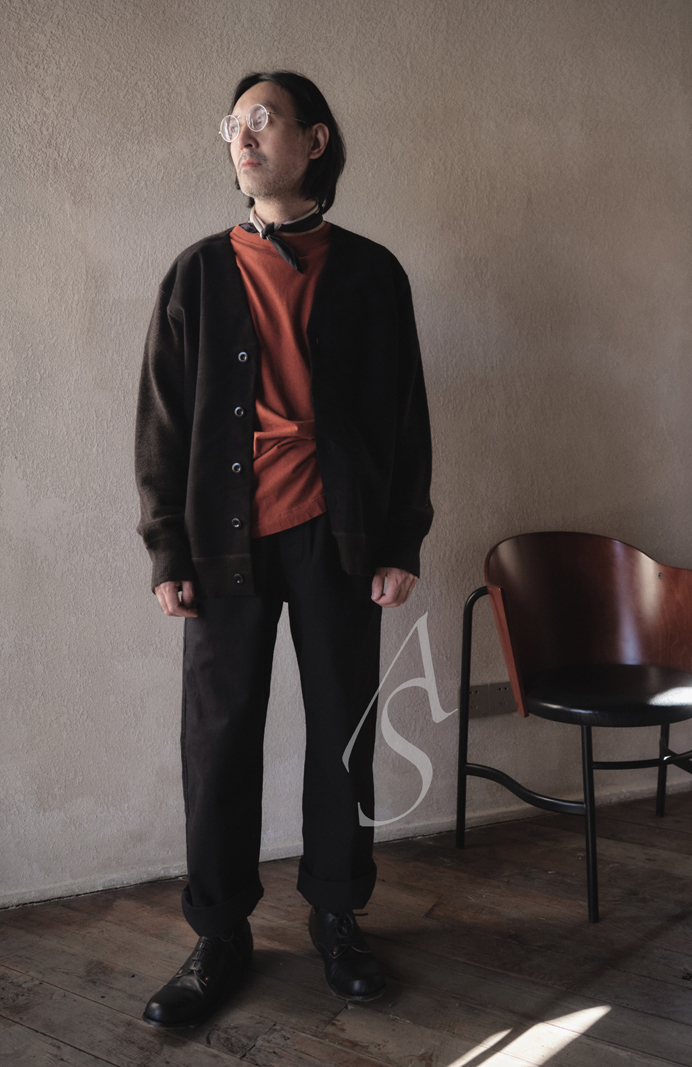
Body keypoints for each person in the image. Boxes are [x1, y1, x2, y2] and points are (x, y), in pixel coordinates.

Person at [134, 70, 433, 1027]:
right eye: (235, 123)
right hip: (223, 540)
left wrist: (401, 538)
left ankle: (338, 915)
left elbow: (406, 418)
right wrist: (167, 548)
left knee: (343, 728)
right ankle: (219, 932)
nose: (245, 136)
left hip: (339, 536)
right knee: (218, 737)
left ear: (316, 139)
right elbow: (162, 424)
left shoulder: (374, 273)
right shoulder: (196, 273)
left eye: (264, 119)